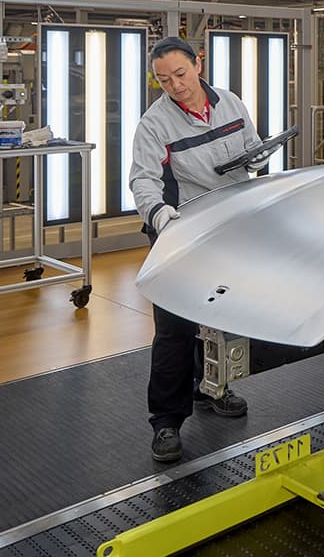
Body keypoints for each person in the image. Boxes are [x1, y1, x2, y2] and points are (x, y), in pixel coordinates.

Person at [129, 36, 265, 462]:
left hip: (228, 224)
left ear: (198, 65)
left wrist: (257, 161)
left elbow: (252, 148)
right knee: (175, 328)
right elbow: (143, 179)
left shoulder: (231, 103)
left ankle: (211, 387)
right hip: (178, 229)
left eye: (180, 74)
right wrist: (159, 215)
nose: (175, 85)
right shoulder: (154, 124)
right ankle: (166, 421)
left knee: (217, 315)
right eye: (163, 80)